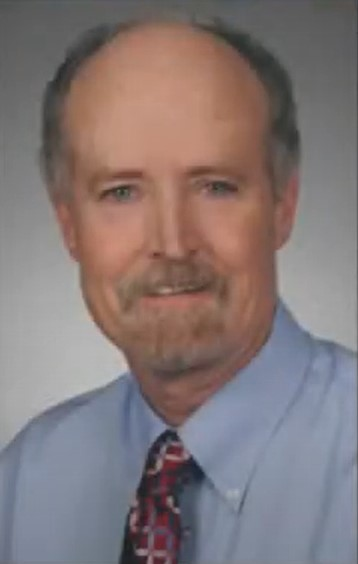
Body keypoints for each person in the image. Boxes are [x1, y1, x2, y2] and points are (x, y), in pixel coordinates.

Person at [0, 18, 356, 564]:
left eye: (215, 186)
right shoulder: (27, 480)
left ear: (284, 206)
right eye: (121, 192)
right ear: (69, 226)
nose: (172, 242)